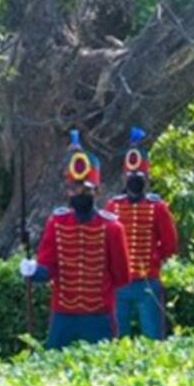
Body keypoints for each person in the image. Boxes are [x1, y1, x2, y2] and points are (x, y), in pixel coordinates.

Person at [21, 132, 131, 349]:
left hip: (99, 316)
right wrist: (33, 270)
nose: (78, 193)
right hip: (64, 316)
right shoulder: (57, 222)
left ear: (97, 191)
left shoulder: (112, 228)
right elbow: (48, 267)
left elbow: (122, 276)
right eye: (74, 188)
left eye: (85, 188)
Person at [105, 127, 178, 340]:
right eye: (131, 174)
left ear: (146, 177)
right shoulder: (113, 206)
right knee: (117, 338)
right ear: (124, 176)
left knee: (153, 336)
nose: (134, 178)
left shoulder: (157, 207)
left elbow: (169, 244)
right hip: (119, 283)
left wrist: (153, 260)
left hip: (147, 280)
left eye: (138, 174)